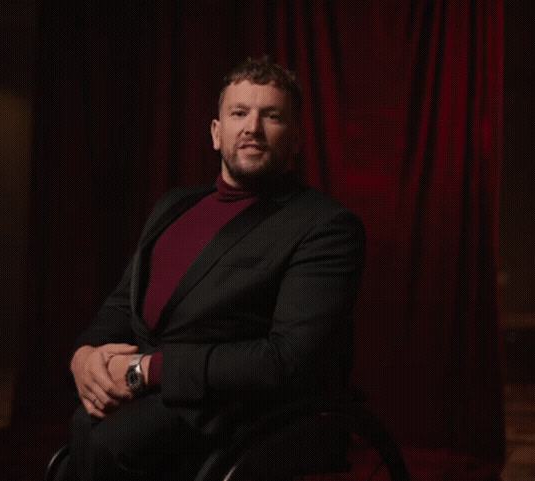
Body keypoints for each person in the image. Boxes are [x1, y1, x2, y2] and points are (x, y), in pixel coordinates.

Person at [65, 56, 365, 480]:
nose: (253, 128)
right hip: (152, 397)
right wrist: (84, 356)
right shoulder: (175, 206)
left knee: (109, 443)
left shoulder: (325, 226)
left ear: (296, 138)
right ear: (215, 131)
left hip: (235, 406)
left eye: (272, 116)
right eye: (239, 113)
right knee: (84, 429)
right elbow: (121, 304)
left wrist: (145, 371)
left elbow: (286, 360)